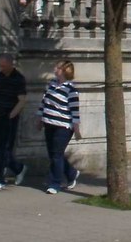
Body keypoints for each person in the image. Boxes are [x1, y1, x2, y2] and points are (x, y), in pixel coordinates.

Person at [38, 60, 81, 195]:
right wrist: (40, 118)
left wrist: (77, 130)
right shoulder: (52, 84)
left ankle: (55, 183)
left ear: (64, 71)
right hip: (49, 122)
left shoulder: (71, 90)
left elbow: (75, 112)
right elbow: (43, 102)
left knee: (56, 154)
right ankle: (71, 173)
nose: (55, 69)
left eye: (58, 67)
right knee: (53, 153)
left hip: (63, 126)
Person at [0, 53, 27, 190]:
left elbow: (22, 100)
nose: (2, 68)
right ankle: (18, 168)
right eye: (0, 65)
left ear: (11, 64)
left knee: (4, 149)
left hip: (9, 117)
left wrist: (11, 115)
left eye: (4, 66)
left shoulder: (18, 79)